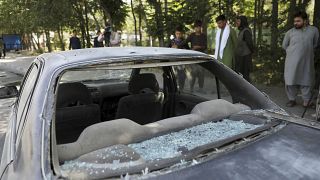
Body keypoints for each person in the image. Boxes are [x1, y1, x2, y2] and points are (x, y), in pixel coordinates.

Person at [282, 11, 319, 107]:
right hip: (291, 62)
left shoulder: (313, 30)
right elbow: (284, 45)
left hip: (307, 61)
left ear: (305, 21)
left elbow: (315, 44)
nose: (295, 23)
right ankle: (292, 99)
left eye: (298, 21)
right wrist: (293, 53)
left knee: (306, 80)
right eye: (295, 21)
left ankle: (307, 101)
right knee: (290, 80)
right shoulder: (290, 32)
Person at [184, 20, 207, 93]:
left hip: (201, 57)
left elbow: (205, 46)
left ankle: (201, 88)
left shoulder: (203, 36)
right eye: (196, 27)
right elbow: (185, 43)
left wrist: (198, 47)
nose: (198, 29)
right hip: (193, 57)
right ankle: (191, 88)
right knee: (193, 73)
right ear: (194, 28)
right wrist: (190, 50)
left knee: (201, 73)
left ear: (201, 27)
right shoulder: (192, 35)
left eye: (199, 27)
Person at [169, 26, 190, 90]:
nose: (178, 35)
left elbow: (188, 50)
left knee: (182, 76)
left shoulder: (184, 42)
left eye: (179, 34)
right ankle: (173, 88)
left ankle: (181, 88)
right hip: (173, 61)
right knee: (173, 75)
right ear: (175, 33)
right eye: (177, 33)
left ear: (182, 34)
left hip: (182, 62)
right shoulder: (172, 41)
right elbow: (167, 49)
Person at [235, 16, 254, 82]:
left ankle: (248, 91)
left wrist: (251, 52)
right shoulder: (241, 30)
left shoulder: (246, 31)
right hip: (241, 57)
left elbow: (250, 43)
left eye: (238, 21)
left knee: (245, 75)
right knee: (240, 75)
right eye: (236, 21)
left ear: (242, 22)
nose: (236, 23)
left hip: (245, 57)